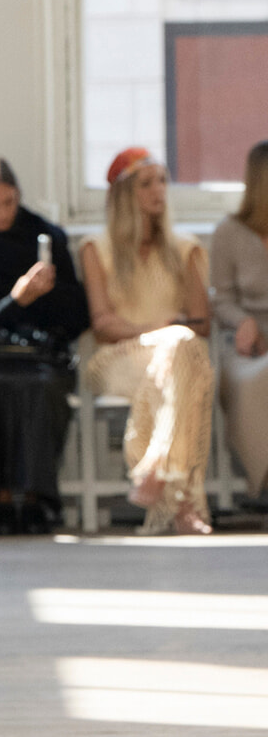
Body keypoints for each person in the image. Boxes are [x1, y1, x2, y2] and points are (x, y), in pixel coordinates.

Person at [0, 155, 90, 534]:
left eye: (9, 202)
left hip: (43, 356)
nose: (3, 213)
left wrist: (50, 291)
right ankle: (1, 496)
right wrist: (17, 299)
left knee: (40, 386)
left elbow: (76, 318)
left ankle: (38, 496)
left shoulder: (49, 239)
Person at [80, 149, 213, 535]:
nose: (158, 191)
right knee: (182, 354)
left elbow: (201, 322)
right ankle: (184, 501)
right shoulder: (96, 248)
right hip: (117, 357)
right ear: (124, 194)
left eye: (162, 181)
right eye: (146, 183)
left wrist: (171, 335)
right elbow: (103, 324)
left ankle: (160, 471)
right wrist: (158, 329)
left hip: (178, 357)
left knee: (182, 357)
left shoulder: (185, 249)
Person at [210, 139, 268, 502]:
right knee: (257, 379)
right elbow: (222, 300)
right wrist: (246, 323)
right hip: (247, 341)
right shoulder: (229, 233)